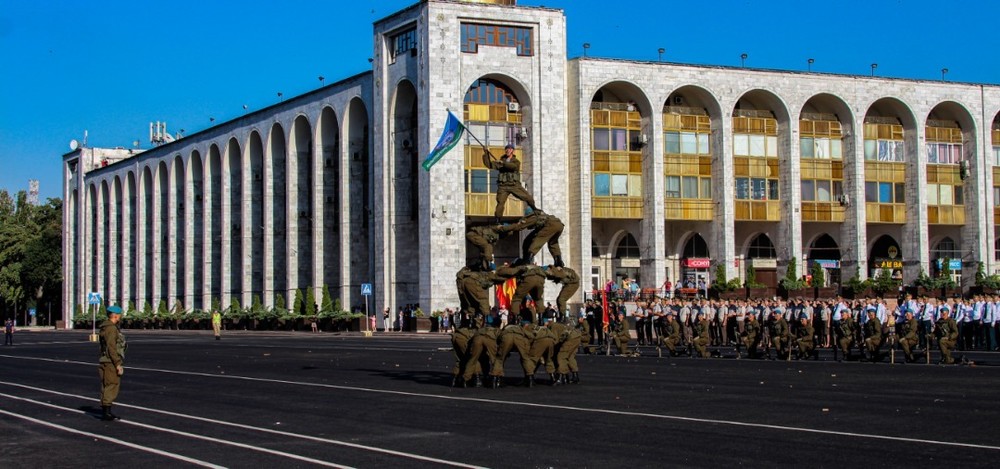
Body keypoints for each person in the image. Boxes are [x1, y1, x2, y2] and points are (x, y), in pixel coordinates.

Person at [483, 144, 538, 221]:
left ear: (513, 151)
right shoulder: (501, 161)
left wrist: (503, 163)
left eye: (510, 149)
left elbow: (512, 167)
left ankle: (535, 209)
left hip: (514, 185)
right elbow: (489, 165)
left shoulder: (516, 161)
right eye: (506, 149)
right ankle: (498, 220)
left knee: (528, 198)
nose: (508, 150)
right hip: (503, 186)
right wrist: (486, 153)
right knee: (500, 203)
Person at [498, 209, 565, 267]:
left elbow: (519, 227)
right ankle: (558, 261)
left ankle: (527, 260)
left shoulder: (533, 217)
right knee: (553, 243)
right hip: (559, 225)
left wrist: (505, 228)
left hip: (550, 226)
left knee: (538, 240)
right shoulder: (542, 216)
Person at [98, 305, 127, 421]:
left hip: (105, 360)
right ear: (115, 316)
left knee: (106, 385)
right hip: (110, 361)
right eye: (119, 315)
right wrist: (117, 363)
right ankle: (106, 412)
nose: (120, 317)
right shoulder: (111, 329)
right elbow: (111, 347)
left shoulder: (105, 327)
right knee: (112, 384)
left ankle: (106, 411)